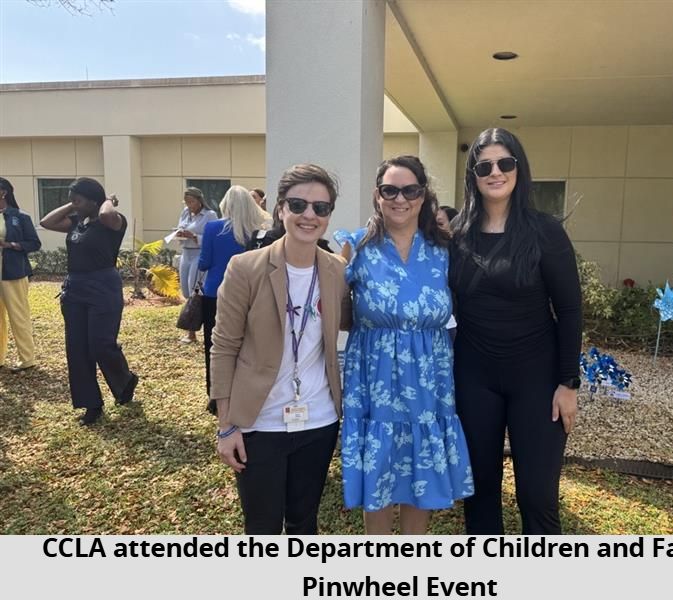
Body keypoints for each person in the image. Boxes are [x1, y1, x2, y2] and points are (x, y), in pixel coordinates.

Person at [449, 127, 582, 535]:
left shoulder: (545, 232)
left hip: (537, 379)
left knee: (537, 495)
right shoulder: (456, 233)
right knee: (480, 493)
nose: (495, 172)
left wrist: (569, 383)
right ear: (473, 175)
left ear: (518, 169)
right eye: (484, 166)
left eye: (504, 163)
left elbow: (569, 310)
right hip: (474, 377)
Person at [335, 155, 473, 534]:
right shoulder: (355, 247)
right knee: (378, 471)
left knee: (420, 471)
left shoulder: (445, 250)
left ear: (423, 195)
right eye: (390, 190)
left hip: (429, 379)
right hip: (374, 378)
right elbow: (331, 307)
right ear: (377, 196)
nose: (400, 199)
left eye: (410, 190)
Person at [212, 164, 350, 534]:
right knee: (262, 526)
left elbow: (354, 321)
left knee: (304, 522)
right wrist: (226, 426)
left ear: (329, 214)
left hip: (319, 420)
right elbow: (223, 347)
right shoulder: (246, 268)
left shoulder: (337, 271)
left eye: (321, 208)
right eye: (298, 205)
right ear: (280, 209)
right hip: (259, 422)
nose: (309, 215)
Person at [40, 177, 139, 426]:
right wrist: (73, 205)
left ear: (94, 201)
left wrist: (107, 200)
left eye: (78, 200)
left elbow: (106, 214)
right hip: (75, 288)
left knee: (101, 344)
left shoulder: (112, 222)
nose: (73, 204)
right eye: (72, 200)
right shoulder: (76, 222)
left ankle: (125, 381)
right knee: (77, 348)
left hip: (103, 287)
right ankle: (91, 404)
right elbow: (46, 222)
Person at [198, 185, 269, 398]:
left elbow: (204, 262)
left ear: (225, 205)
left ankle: (215, 393)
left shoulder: (213, 227)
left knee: (216, 345)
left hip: (215, 292)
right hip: (249, 294)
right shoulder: (257, 231)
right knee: (248, 344)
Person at [0, 177, 41, 372]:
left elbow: (34, 243)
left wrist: (11, 245)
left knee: (18, 315)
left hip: (13, 272)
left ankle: (27, 359)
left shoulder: (20, 217)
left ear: (3, 193)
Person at [175, 187, 217, 344]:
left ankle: (192, 332)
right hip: (186, 253)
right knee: (185, 291)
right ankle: (192, 326)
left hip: (199, 253)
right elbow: (180, 227)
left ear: (199, 200)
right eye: (186, 202)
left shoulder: (210, 215)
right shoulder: (185, 212)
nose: (189, 205)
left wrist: (194, 236)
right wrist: (179, 233)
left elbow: (213, 237)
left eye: (191, 202)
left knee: (195, 290)